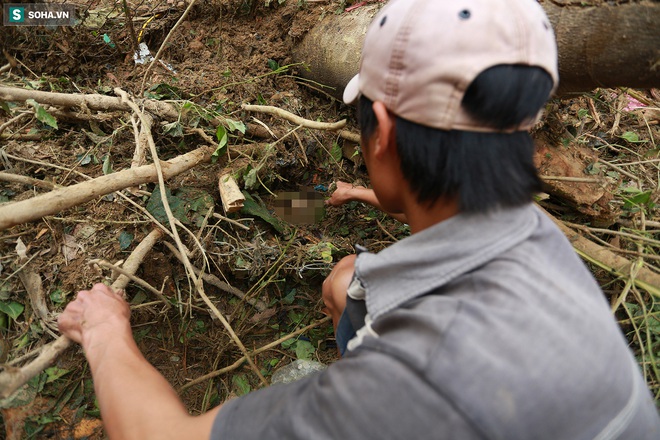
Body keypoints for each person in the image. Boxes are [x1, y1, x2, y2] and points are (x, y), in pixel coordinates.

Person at [59, 0, 660, 438]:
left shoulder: (408, 393)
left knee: (345, 282)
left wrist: (106, 332)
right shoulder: (538, 239)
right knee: (346, 278)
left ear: (385, 133)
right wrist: (367, 195)